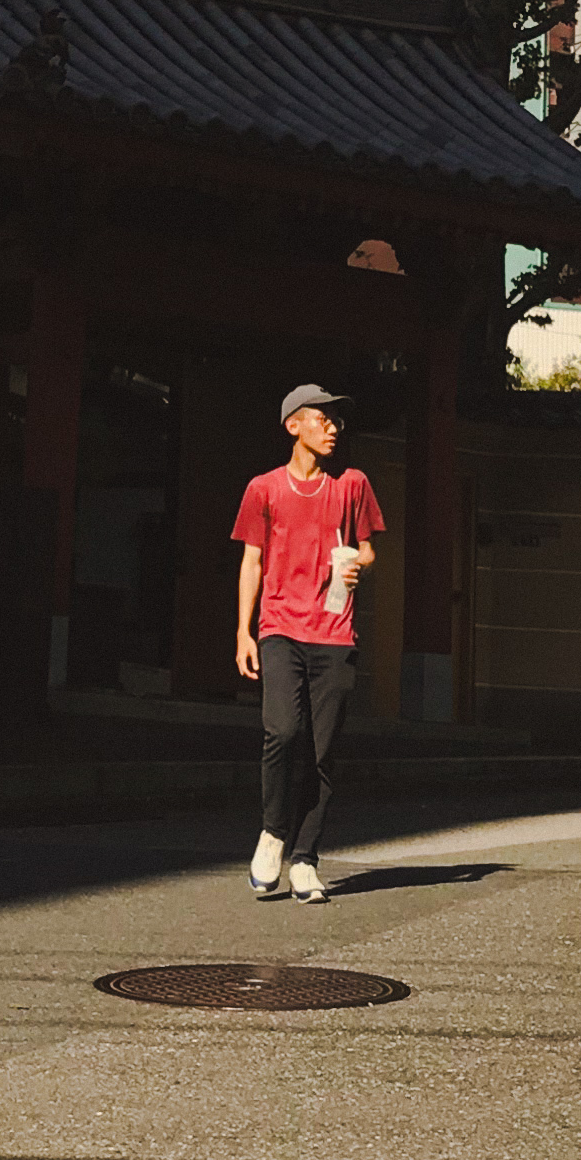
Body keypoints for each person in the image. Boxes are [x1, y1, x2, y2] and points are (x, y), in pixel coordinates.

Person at [232, 382, 384, 904]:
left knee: (323, 750)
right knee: (283, 730)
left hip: (334, 629)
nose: (334, 428)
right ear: (293, 424)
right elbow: (251, 561)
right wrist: (242, 632)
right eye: (323, 419)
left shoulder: (352, 484)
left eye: (338, 421)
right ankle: (273, 832)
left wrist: (359, 565)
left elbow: (367, 551)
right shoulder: (263, 489)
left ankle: (305, 860)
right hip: (278, 627)